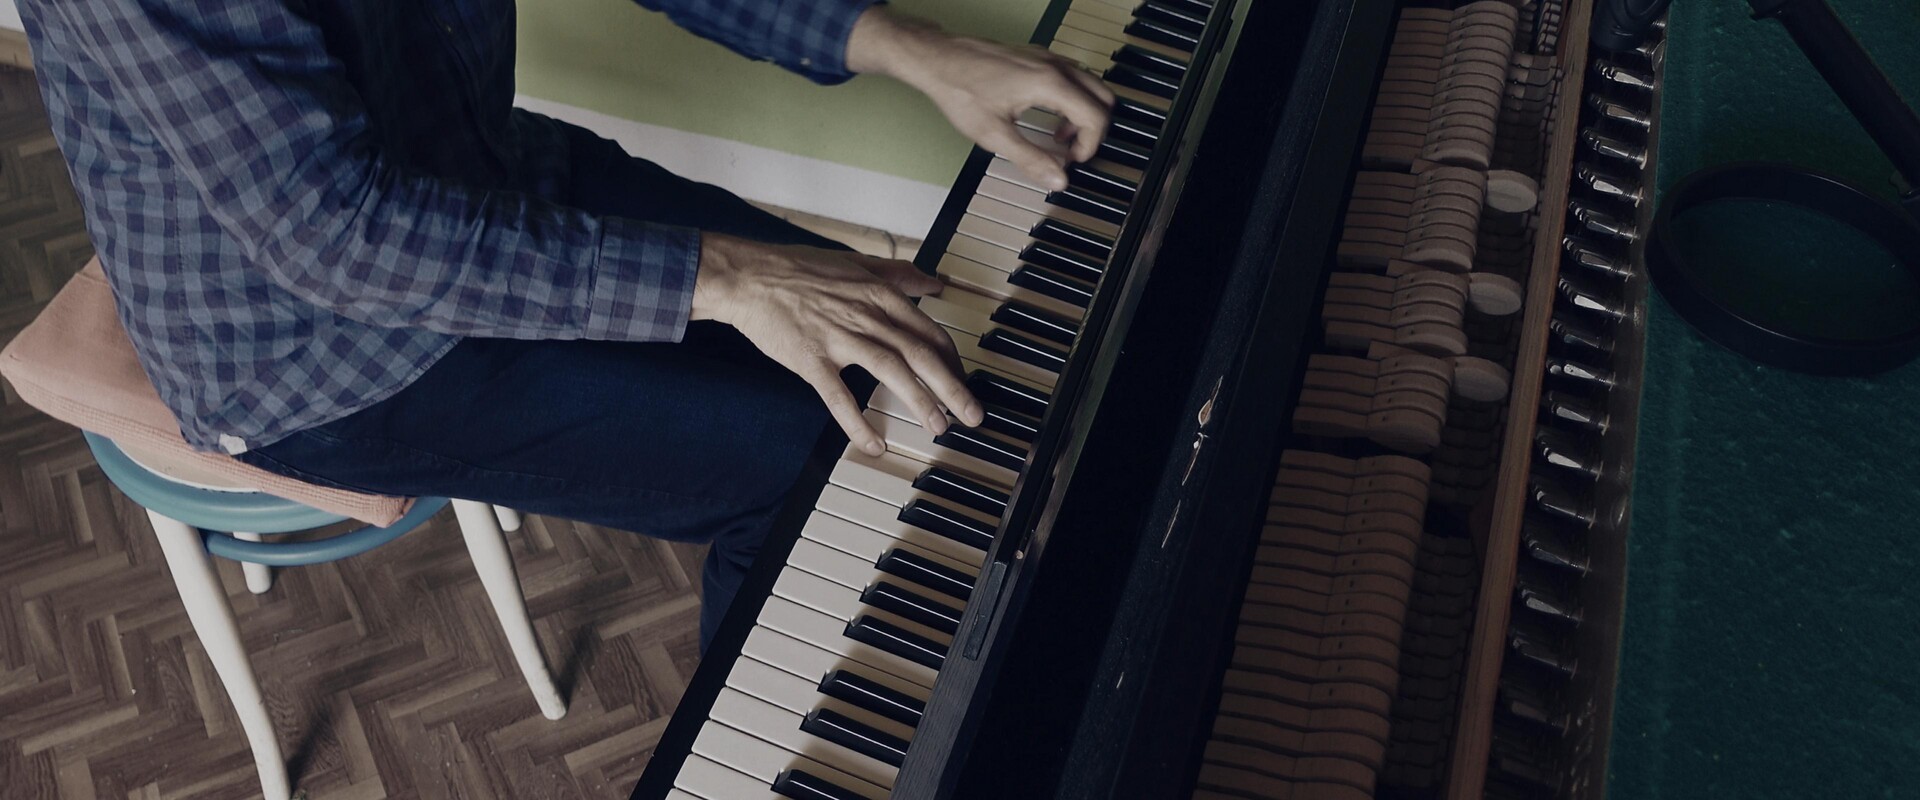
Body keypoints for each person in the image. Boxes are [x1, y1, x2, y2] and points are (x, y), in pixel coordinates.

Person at [19, 0, 1113, 649]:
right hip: (309, 344)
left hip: (482, 174)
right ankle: (784, 746)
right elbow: (334, 233)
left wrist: (901, 44)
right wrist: (729, 277)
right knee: (819, 468)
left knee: (895, 356)